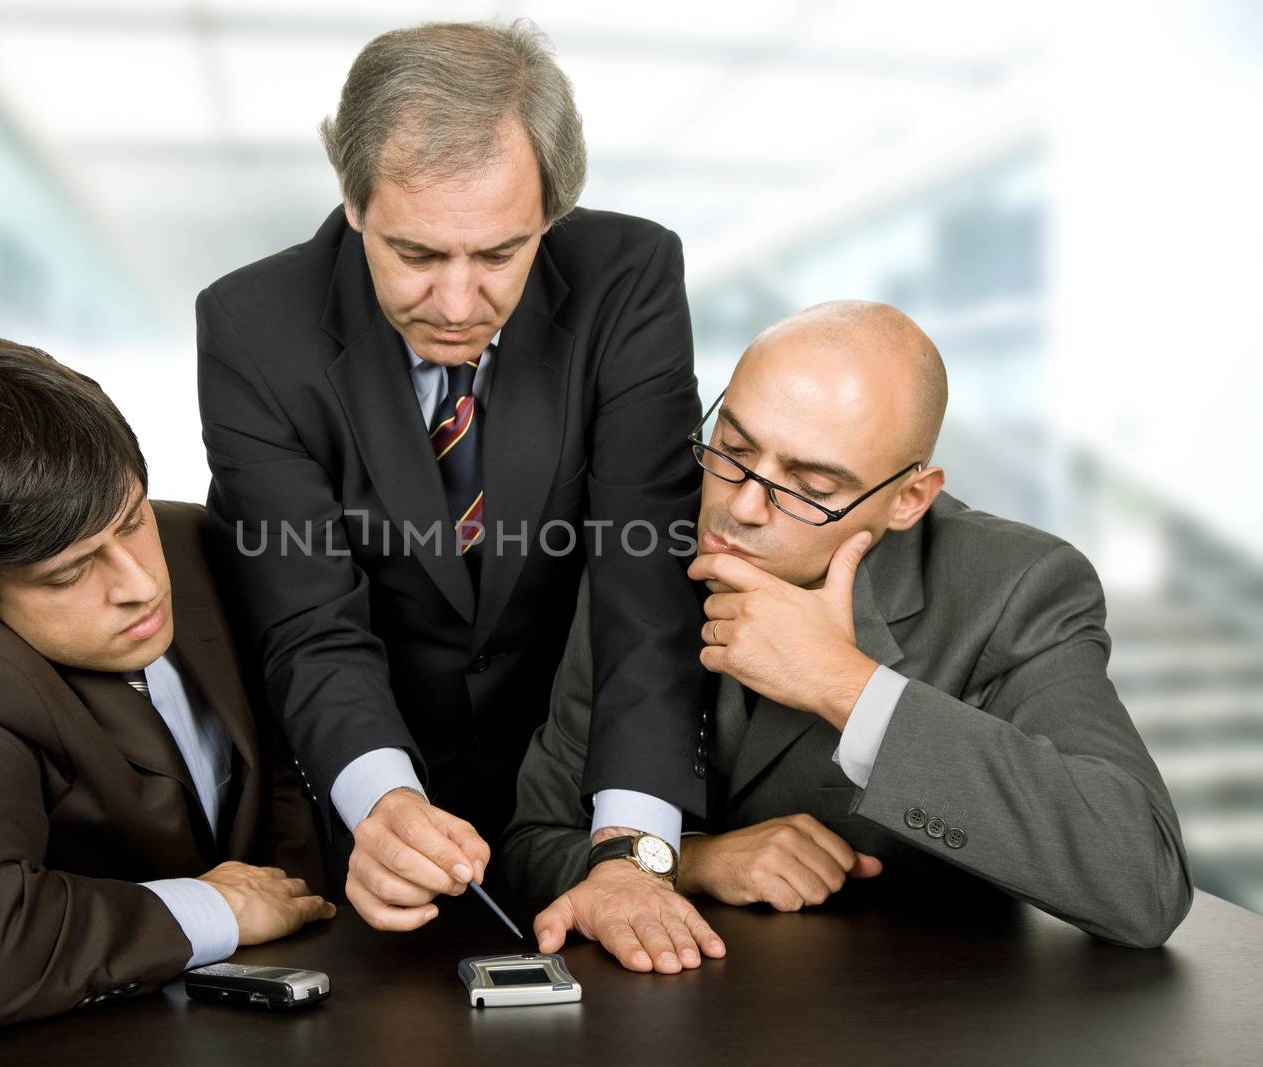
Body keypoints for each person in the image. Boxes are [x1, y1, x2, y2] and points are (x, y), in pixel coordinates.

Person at [501, 301, 1194, 971]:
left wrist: (849, 687)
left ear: (908, 500)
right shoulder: (649, 544)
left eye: (807, 486)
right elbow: (532, 843)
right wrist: (694, 862)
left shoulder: (1014, 589)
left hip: (924, 1018)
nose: (739, 507)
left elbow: (1143, 881)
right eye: (734, 448)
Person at [197, 20, 704, 932]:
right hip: (361, 813)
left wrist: (631, 850)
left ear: (550, 212)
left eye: (501, 255)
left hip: (573, 783)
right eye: (418, 255)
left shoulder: (630, 278)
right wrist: (381, 802)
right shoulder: (252, 329)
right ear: (353, 202)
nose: (459, 305)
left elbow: (648, 582)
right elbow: (308, 620)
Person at [0, 339, 334, 1030]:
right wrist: (214, 907)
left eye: (132, 519)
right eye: (70, 573)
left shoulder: (192, 541)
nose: (139, 585)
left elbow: (274, 753)